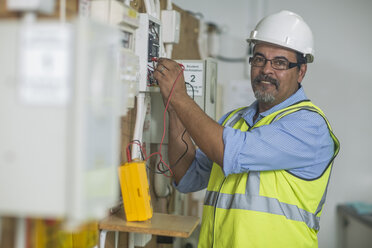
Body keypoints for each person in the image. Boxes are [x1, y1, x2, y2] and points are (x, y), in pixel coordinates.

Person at [154, 10, 340, 248]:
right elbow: (187, 175)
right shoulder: (234, 121)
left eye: (280, 63)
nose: (266, 70)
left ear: (301, 71)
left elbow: (229, 151)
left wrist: (179, 97)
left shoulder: (309, 126)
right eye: (259, 59)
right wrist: (173, 108)